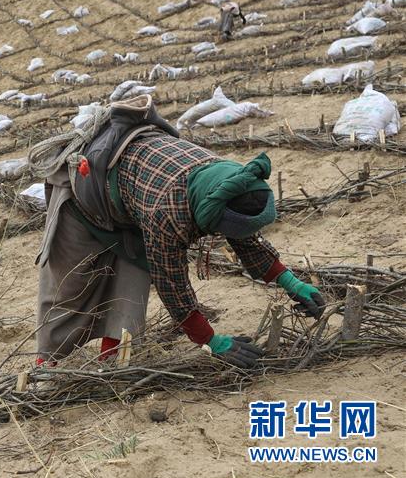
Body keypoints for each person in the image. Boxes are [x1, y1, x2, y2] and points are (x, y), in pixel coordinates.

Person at [31, 96, 325, 369]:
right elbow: (172, 284)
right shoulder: (168, 212)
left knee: (132, 281)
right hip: (83, 193)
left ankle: (111, 360)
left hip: (132, 196)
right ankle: (47, 366)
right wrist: (211, 340)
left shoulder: (228, 181)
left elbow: (245, 238)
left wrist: (292, 284)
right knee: (68, 287)